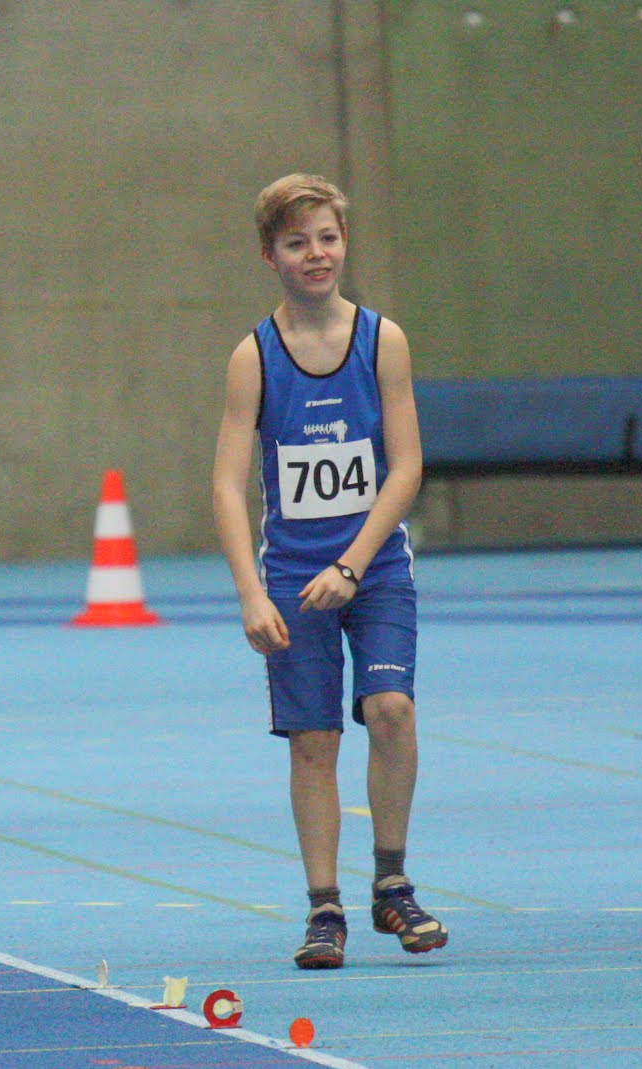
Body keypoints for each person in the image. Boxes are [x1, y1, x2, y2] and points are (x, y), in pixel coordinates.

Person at [211, 173, 446, 969]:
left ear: (345, 243)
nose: (316, 254)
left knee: (391, 709)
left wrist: (352, 563)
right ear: (269, 255)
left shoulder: (383, 341)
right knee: (313, 739)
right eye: (296, 242)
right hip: (292, 579)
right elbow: (226, 484)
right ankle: (323, 906)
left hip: (373, 567)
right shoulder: (254, 357)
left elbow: (406, 466)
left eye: (327, 238)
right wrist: (251, 594)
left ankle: (393, 881)